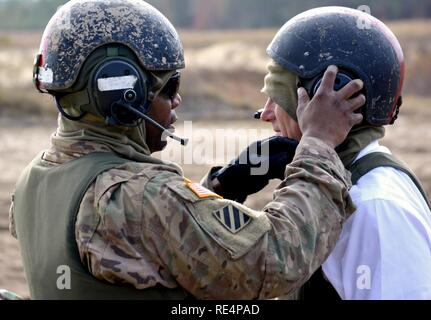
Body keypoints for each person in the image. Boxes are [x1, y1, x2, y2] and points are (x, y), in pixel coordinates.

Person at [9, 0, 364, 300]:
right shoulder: (138, 195)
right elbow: (276, 259)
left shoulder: (36, 179)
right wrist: (318, 144)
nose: (177, 99)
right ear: (121, 95)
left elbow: (146, 250)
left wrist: (221, 188)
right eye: (169, 86)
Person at [258, 6, 431, 300]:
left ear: (334, 95)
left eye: (278, 99)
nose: (266, 114)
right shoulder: (341, 189)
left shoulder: (374, 208)